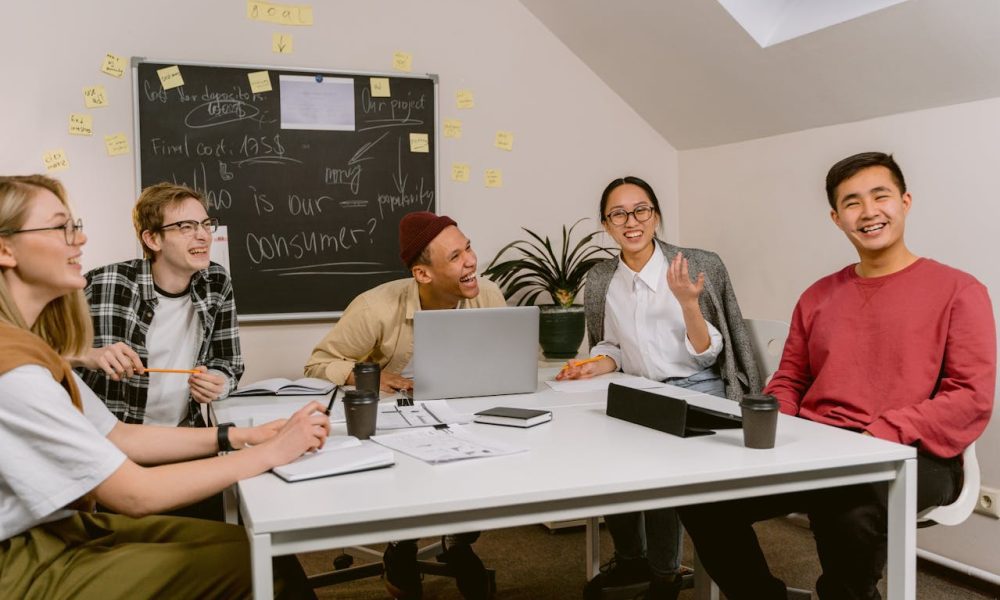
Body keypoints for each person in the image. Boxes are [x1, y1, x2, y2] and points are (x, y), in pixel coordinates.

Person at [678, 152, 996, 599]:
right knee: (701, 496)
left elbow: (970, 397)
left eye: (880, 196)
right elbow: (790, 378)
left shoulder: (960, 291)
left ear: (905, 202)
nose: (868, 212)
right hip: (817, 445)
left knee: (845, 507)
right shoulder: (818, 296)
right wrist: (773, 424)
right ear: (836, 218)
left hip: (914, 454)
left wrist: (881, 432)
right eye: (852, 202)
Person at [0, 174, 329, 598]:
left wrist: (243, 434)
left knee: (258, 547)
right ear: (5, 249)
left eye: (205, 224)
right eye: (62, 227)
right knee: (258, 562)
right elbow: (134, 494)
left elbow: (119, 436)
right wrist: (273, 451)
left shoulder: (25, 352)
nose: (80, 239)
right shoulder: (19, 372)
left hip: (56, 524)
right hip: (27, 551)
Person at [558, 176, 760, 600]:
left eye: (641, 210)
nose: (631, 221)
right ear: (605, 225)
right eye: (619, 214)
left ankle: (665, 573)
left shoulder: (696, 266)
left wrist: (688, 302)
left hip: (699, 388)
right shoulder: (601, 279)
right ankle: (632, 557)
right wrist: (591, 365)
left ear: (656, 215)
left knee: (656, 463)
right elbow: (611, 345)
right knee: (601, 450)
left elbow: (708, 355)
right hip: (639, 390)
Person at [305, 211, 505, 600]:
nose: (470, 261)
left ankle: (458, 544)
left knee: (487, 461)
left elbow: (504, 359)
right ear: (423, 274)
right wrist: (373, 377)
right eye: (455, 257)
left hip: (463, 410)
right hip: (398, 417)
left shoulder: (488, 294)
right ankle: (402, 547)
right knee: (408, 472)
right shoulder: (375, 307)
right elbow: (317, 363)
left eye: (468, 248)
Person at [72, 182, 242, 428]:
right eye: (186, 227)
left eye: (206, 224)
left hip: (183, 430)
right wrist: (87, 355)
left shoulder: (215, 281)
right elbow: (39, 354)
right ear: (152, 239)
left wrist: (218, 381)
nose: (204, 235)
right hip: (109, 437)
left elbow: (229, 362)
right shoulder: (102, 284)